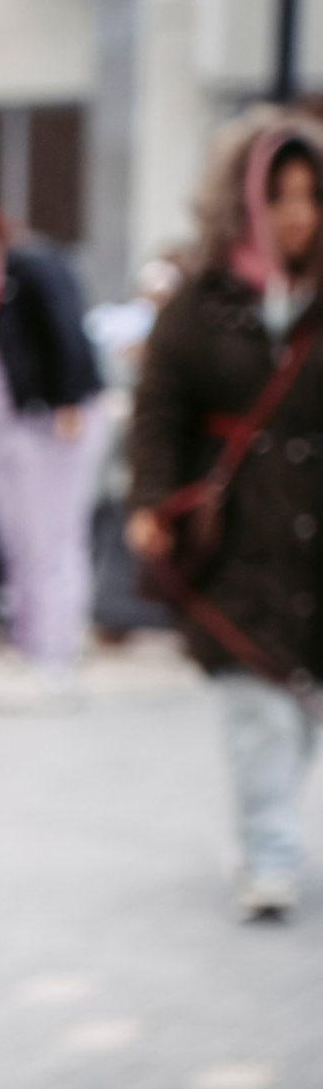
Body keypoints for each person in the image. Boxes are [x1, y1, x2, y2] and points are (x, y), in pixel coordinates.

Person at [124, 107, 323, 920]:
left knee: (300, 705)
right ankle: (269, 857)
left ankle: (259, 832)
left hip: (314, 539)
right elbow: (156, 408)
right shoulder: (199, 303)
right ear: (244, 202)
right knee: (258, 709)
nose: (298, 214)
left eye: (311, 195)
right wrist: (148, 501)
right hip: (234, 538)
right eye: (279, 196)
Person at [0, 185, 108, 696]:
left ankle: (55, 650)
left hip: (53, 418)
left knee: (54, 537)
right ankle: (29, 642)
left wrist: (66, 399)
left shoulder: (28, 265)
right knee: (18, 539)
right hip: (5, 428)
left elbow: (66, 325)